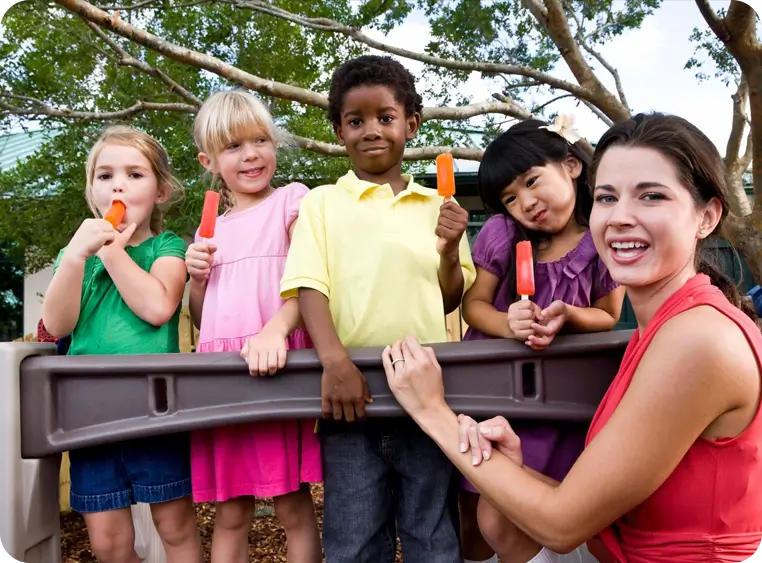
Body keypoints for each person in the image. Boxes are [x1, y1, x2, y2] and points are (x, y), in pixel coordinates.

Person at [381, 112, 762, 563]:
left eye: (652, 196)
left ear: (707, 216)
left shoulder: (700, 340)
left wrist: (432, 410)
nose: (620, 217)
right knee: (494, 519)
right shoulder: (665, 328)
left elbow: (561, 526)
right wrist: (515, 468)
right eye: (607, 197)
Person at [280, 55, 476, 563]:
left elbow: (451, 297)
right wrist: (335, 362)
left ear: (410, 124)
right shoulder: (322, 204)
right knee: (353, 540)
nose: (372, 130)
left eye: (385, 117)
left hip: (428, 395)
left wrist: (451, 248)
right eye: (356, 120)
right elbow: (308, 286)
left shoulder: (440, 207)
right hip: (351, 398)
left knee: (432, 536)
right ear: (339, 130)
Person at [459, 117, 625, 563]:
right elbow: (473, 305)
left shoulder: (601, 239)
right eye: (511, 198)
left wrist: (570, 315)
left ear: (571, 165)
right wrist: (506, 322)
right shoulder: (502, 234)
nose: (526, 203)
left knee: (540, 511)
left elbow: (608, 315)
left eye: (532, 182)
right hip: (495, 396)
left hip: (562, 403)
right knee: (479, 514)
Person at [42, 126, 203, 563]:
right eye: (105, 174)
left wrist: (112, 251)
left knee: (175, 526)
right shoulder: (73, 256)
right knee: (109, 545)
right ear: (91, 189)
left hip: (154, 408)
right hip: (88, 413)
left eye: (135, 174)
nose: (118, 184)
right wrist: (75, 257)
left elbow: (157, 307)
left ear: (162, 191)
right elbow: (57, 325)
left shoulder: (166, 248)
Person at [185, 90, 321, 563]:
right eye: (233, 146)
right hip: (224, 375)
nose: (251, 155)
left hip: (277, 366)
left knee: (293, 505)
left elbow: (311, 283)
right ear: (209, 160)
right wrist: (197, 278)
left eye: (260, 140)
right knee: (230, 512)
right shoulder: (210, 231)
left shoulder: (291, 201)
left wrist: (276, 330)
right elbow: (202, 317)